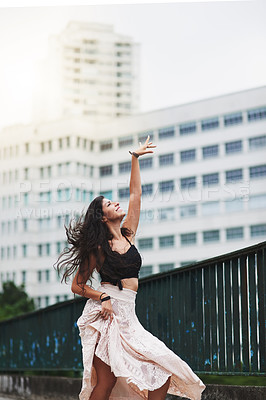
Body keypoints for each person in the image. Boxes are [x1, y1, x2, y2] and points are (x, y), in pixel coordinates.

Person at [56, 136, 206, 400]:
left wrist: (134, 159)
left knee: (162, 368)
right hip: (107, 316)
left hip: (130, 316)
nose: (116, 203)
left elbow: (135, 194)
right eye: (109, 204)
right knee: (106, 382)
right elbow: (77, 285)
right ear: (103, 217)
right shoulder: (98, 248)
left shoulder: (128, 234)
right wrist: (102, 297)